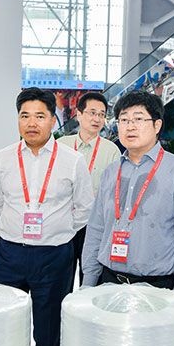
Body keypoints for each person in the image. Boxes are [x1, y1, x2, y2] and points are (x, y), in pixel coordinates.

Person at [0, 87, 93, 346]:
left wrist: (60, 230)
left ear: (53, 120)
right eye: (25, 116)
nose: (31, 123)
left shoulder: (72, 161)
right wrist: (12, 229)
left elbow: (84, 208)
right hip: (10, 253)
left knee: (50, 329)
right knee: (4, 323)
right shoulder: (2, 158)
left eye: (40, 116)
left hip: (54, 256)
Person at [82, 90, 174, 294]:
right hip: (108, 281)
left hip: (157, 287)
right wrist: (88, 280)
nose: (130, 126)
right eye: (124, 120)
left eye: (138, 119)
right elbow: (96, 228)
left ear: (157, 125)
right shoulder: (111, 172)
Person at [58, 92, 121, 289]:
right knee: (61, 277)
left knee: (92, 277)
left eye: (101, 114)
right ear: (79, 114)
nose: (97, 119)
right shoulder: (62, 145)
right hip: (64, 222)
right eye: (92, 113)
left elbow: (114, 191)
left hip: (94, 225)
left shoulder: (111, 150)